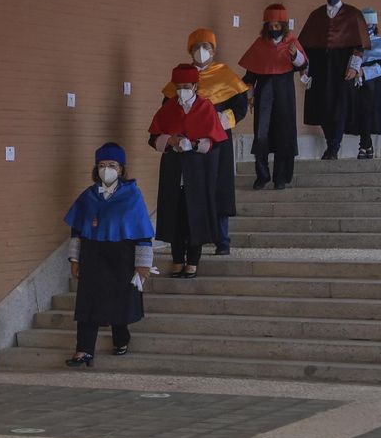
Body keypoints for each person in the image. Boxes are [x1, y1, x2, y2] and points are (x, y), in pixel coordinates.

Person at [62, 142, 153, 368]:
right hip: (92, 252)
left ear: (121, 168)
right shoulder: (88, 196)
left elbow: (142, 232)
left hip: (122, 254)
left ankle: (121, 339)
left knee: (119, 300)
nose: (106, 169)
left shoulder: (132, 196)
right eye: (102, 165)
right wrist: (74, 259)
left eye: (112, 165)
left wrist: (143, 266)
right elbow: (77, 229)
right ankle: (83, 350)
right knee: (87, 302)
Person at [162, 29, 247, 255]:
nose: (202, 51)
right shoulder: (180, 78)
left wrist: (224, 120)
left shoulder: (226, 75)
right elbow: (166, 109)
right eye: (197, 47)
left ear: (214, 49)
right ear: (190, 50)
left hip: (218, 141)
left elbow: (241, 107)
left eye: (206, 47)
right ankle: (192, 240)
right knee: (192, 189)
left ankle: (222, 240)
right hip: (189, 145)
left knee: (218, 188)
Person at [148, 64, 227, 278]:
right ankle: (176, 259)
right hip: (173, 171)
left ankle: (192, 260)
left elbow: (216, 142)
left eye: (186, 86)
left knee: (196, 217)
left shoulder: (205, 107)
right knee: (175, 216)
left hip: (198, 171)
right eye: (179, 86)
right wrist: (170, 140)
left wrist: (193, 145)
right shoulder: (168, 108)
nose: (182, 90)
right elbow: (153, 138)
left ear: (195, 86)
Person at [297, 0, 370, 159]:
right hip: (320, 66)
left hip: (342, 66)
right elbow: (305, 46)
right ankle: (331, 143)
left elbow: (359, 46)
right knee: (322, 107)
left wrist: (354, 66)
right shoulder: (316, 15)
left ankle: (334, 146)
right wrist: (305, 67)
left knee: (339, 107)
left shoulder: (353, 14)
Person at [237, 4, 308, 190]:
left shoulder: (292, 43)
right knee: (261, 135)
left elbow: (303, 66)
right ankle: (262, 175)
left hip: (285, 95)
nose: (274, 29)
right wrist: (249, 94)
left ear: (283, 26)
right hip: (264, 95)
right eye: (271, 25)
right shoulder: (260, 44)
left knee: (284, 135)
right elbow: (249, 76)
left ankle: (281, 178)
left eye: (278, 26)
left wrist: (295, 56)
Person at [346, 9, 381, 159]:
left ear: (374, 25)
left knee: (368, 114)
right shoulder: (355, 44)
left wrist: (364, 72)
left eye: (369, 24)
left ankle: (365, 144)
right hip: (356, 85)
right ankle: (366, 144)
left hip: (373, 85)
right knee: (359, 114)